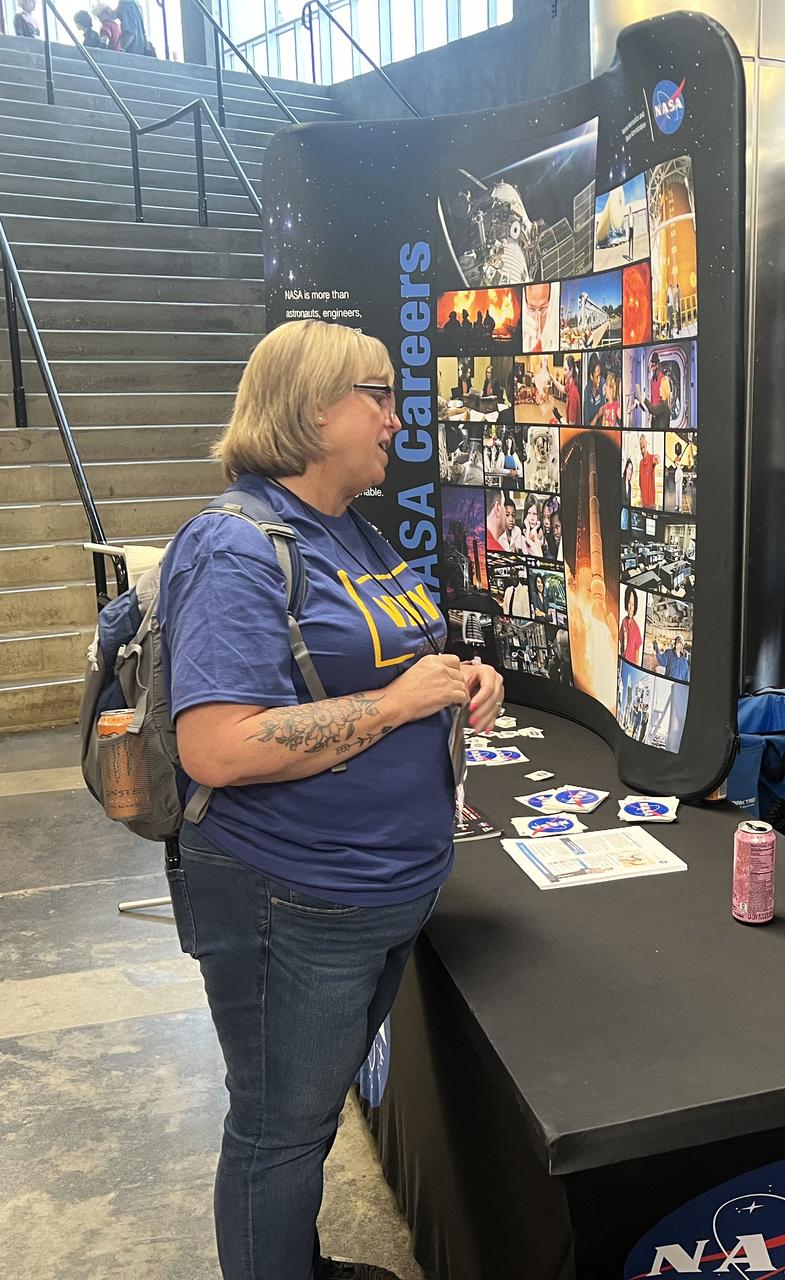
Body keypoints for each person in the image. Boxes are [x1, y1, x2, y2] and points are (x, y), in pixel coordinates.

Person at [157, 320, 503, 1280]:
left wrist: (460, 681)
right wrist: (397, 704)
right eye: (378, 394)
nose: (398, 418)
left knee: (303, 1117)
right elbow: (218, 746)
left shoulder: (345, 525)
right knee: (278, 1129)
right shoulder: (231, 549)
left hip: (378, 887)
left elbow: (384, 663)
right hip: (291, 896)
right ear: (312, 410)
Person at [619, 586, 642, 666]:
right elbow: (621, 644)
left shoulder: (636, 629)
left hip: (630, 665)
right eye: (629, 603)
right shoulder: (623, 621)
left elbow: (637, 655)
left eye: (633, 604)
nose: (630, 607)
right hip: (621, 661)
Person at [637, 433, 660, 510]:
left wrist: (657, 459)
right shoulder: (640, 463)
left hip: (650, 505)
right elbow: (640, 483)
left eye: (644, 447)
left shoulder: (651, 458)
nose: (642, 450)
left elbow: (656, 460)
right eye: (641, 448)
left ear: (646, 445)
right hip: (643, 504)